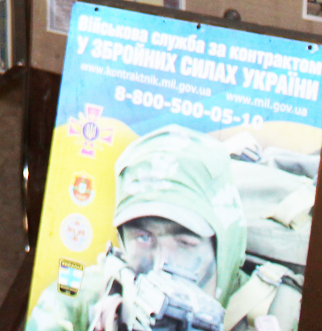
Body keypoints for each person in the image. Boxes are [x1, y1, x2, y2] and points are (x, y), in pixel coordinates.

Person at [27, 126, 300, 331]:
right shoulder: (79, 296)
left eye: (185, 242)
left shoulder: (281, 312)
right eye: (144, 238)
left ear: (223, 248)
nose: (161, 264)